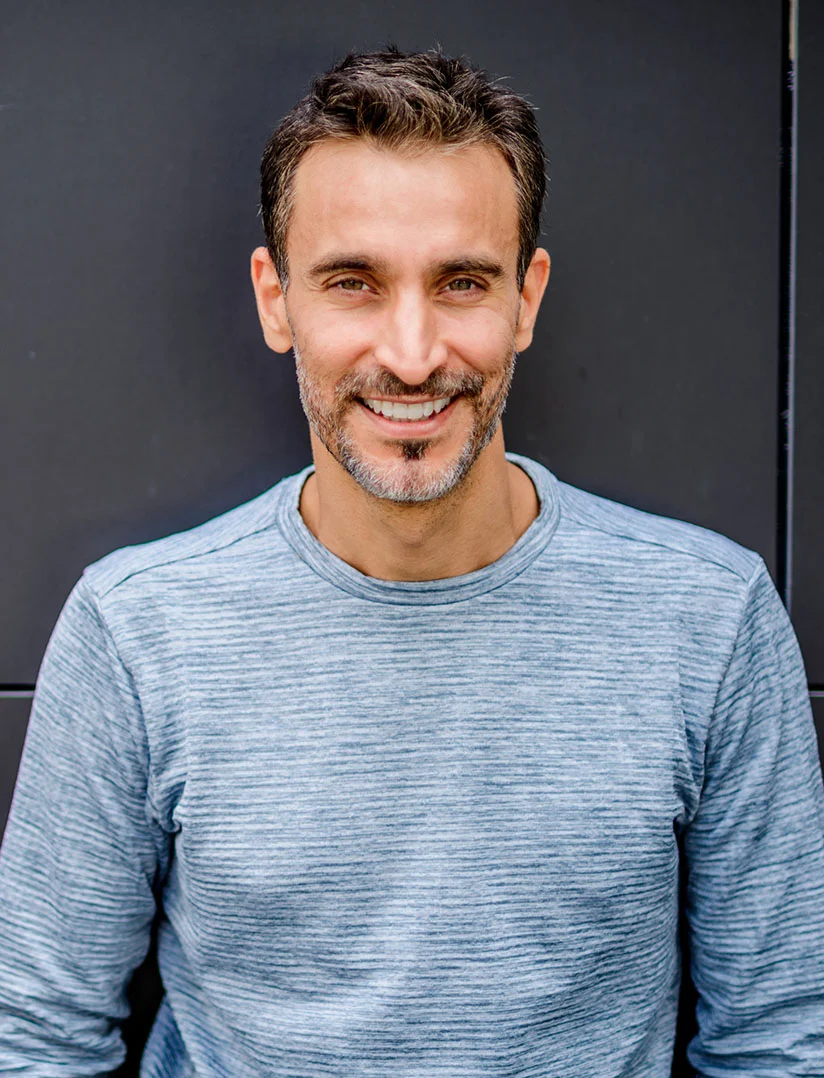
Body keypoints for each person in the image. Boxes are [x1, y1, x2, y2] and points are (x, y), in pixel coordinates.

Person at [0, 45, 822, 1078]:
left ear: (525, 298)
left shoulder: (708, 620)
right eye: (352, 282)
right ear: (274, 299)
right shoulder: (137, 631)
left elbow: (780, 1043)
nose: (411, 350)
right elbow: (32, 1042)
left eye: (461, 282)